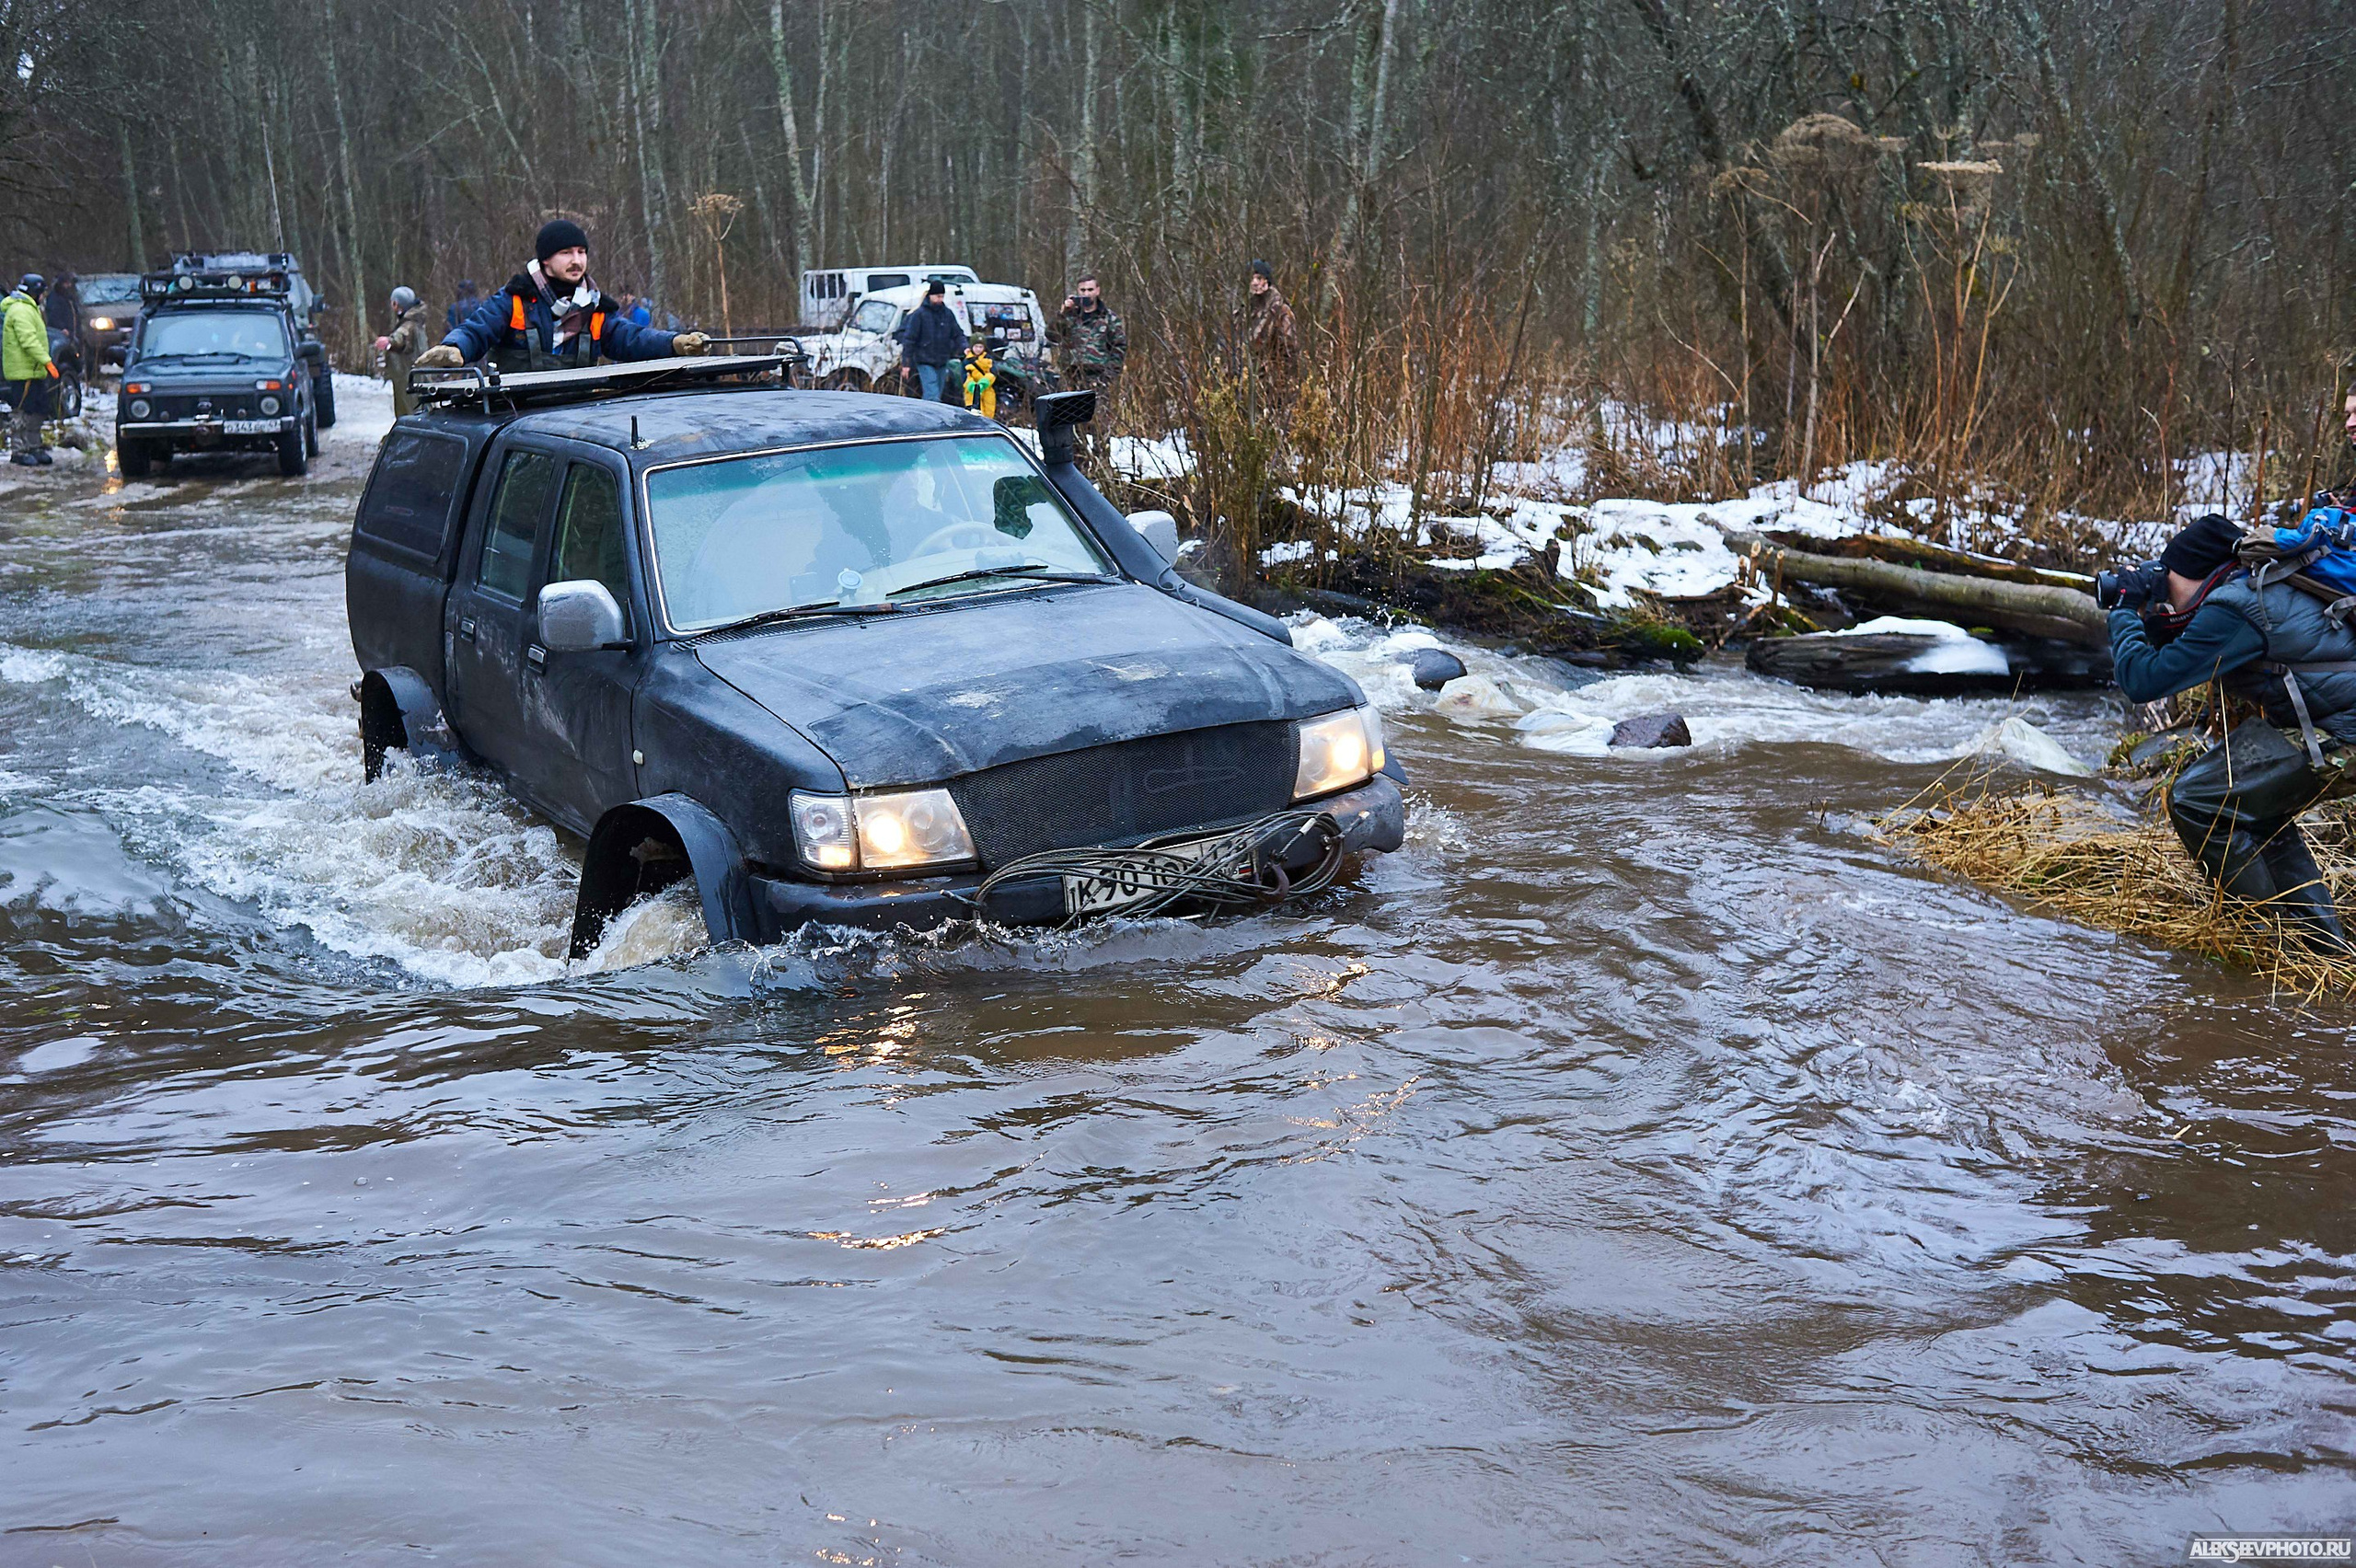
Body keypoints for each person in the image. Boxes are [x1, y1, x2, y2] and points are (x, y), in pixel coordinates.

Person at [2108, 488, 2356, 953]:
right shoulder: (2257, 586)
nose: (2166, 595)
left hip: (2344, 734)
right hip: (2339, 724)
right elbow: (2179, 651)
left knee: (2196, 799)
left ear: (2198, 575)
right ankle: (2325, 952)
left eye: (2169, 582)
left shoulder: (2235, 608)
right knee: (2257, 813)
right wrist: (2153, 614)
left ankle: (2265, 947)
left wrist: (2124, 611)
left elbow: (2142, 680)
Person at [416, 221, 704, 374]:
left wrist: (675, 343)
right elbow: (477, 329)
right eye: (566, 253)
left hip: (575, 419)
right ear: (545, 260)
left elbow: (632, 339)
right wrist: (455, 348)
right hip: (516, 420)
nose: (576, 260)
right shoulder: (514, 301)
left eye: (581, 252)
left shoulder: (595, 308)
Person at [3, 273, 59, 467]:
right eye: (41, 293)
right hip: (23, 371)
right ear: (34, 292)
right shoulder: (20, 310)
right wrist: (47, 362)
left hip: (33, 371)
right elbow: (28, 340)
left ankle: (34, 446)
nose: (43, 297)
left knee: (39, 409)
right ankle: (19, 451)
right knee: (23, 412)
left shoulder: (29, 308)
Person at [892, 279, 966, 402]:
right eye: (937, 296)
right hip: (924, 360)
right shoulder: (919, 315)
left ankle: (925, 411)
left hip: (942, 360)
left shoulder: (947, 314)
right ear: (930, 295)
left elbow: (957, 334)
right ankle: (930, 412)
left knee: (936, 393)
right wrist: (906, 363)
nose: (940, 299)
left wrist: (965, 347)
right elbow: (910, 339)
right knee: (932, 395)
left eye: (942, 296)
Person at [1050, 273, 1126, 392]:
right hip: (1070, 377)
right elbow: (1052, 336)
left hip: (1098, 378)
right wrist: (1062, 313)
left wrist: (1107, 377)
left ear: (1097, 291)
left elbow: (1119, 347)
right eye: (1083, 290)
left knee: (1096, 404)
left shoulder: (1109, 318)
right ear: (1078, 291)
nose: (1086, 294)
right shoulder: (1069, 315)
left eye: (1090, 290)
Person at [375, 286, 432, 418]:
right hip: (419, 374)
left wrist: (388, 342)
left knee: (410, 413)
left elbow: (400, 339)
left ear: (396, 304)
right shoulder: (417, 321)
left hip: (409, 376)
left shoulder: (408, 325)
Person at [1245, 258, 1299, 389]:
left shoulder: (1281, 311)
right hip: (1247, 380)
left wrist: (1281, 382)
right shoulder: (1244, 310)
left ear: (1267, 280)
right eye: (1251, 278)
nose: (1255, 283)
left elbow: (1289, 351)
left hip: (1272, 382)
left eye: (1259, 278)